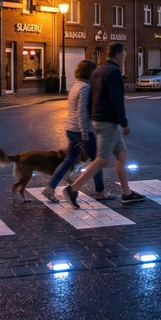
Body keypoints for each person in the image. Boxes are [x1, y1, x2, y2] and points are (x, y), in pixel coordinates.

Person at [64, 43, 146, 208]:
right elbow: (116, 99)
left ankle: (127, 193)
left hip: (102, 120)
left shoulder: (97, 71)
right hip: (108, 121)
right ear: (117, 55)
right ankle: (73, 189)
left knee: (121, 154)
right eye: (123, 55)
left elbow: (91, 98)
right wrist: (124, 122)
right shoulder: (114, 72)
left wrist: (92, 117)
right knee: (101, 159)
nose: (124, 58)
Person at [45, 60, 110, 201]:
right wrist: (85, 133)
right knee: (97, 160)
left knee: (69, 160)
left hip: (71, 128)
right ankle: (101, 191)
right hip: (81, 130)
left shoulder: (75, 85)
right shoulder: (85, 87)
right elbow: (81, 111)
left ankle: (50, 188)